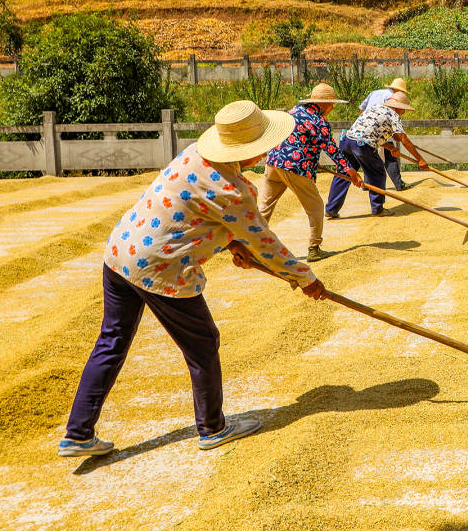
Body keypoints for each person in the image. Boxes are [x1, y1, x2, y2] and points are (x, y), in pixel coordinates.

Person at [58, 100, 328, 458]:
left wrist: (232, 244)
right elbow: (266, 245)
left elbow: (196, 214)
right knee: (203, 345)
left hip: (121, 252)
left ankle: (77, 433)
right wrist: (306, 279)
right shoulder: (236, 191)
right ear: (252, 149)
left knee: (112, 340)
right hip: (161, 268)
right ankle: (213, 428)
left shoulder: (193, 155)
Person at [258, 83, 361, 262]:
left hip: (274, 162)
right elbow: (331, 148)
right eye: (331, 104)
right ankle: (314, 248)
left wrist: (311, 157)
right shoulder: (319, 121)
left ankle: (249, 244)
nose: (333, 107)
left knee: (264, 207)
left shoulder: (294, 111)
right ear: (323, 104)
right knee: (316, 208)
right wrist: (350, 170)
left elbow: (298, 138)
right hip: (295, 167)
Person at [326, 91, 429, 218]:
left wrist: (390, 147)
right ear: (397, 107)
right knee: (377, 172)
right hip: (362, 145)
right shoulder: (393, 115)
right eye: (403, 109)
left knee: (344, 173)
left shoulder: (374, 108)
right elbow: (403, 139)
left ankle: (331, 208)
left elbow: (371, 133)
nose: (404, 112)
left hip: (347, 140)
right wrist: (420, 160)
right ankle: (377, 208)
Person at [360, 77, 410, 191]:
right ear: (399, 91)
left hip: (366, 128)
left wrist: (365, 123)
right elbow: (391, 116)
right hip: (382, 128)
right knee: (390, 157)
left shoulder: (374, 93)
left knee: (370, 157)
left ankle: (367, 184)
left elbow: (361, 109)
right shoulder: (393, 99)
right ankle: (398, 183)